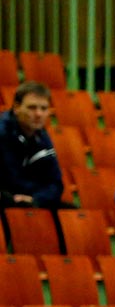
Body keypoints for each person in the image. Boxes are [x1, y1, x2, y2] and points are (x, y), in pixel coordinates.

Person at [0, 81, 71, 210]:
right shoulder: (2, 133)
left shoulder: (42, 136)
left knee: (71, 211)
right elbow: (12, 178)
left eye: (44, 108)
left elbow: (56, 184)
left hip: (29, 197)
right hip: (7, 198)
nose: (39, 114)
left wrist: (36, 198)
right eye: (32, 108)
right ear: (16, 108)